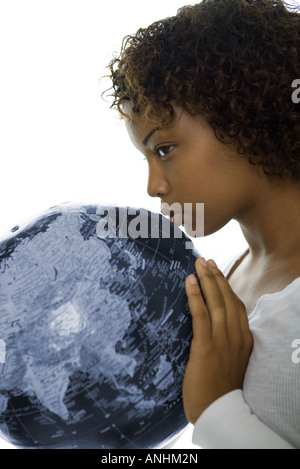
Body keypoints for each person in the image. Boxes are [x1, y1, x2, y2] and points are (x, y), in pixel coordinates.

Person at [105, 0, 300, 448]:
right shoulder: (221, 273)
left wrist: (216, 408)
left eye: (165, 149)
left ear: (243, 115)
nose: (154, 187)